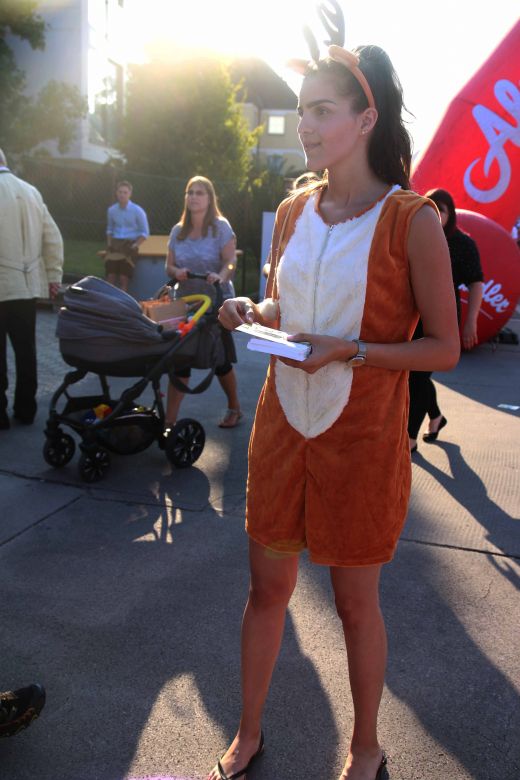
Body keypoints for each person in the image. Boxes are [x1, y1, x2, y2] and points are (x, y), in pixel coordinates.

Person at [215, 43, 460, 780]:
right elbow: (284, 304)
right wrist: (252, 310)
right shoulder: (295, 209)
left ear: (365, 120)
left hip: (361, 438)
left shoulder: (412, 219)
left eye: (322, 111)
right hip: (281, 427)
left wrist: (350, 350)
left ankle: (366, 746)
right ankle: (248, 732)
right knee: (266, 589)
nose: (306, 126)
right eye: (302, 112)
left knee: (356, 605)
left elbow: (445, 348)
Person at [408, 188, 484, 452]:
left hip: (443, 317)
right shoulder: (415, 235)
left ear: (450, 214)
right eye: (431, 207)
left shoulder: (463, 243)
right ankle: (436, 417)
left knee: (418, 377)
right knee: (413, 375)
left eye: (441, 210)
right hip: (412, 316)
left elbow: (476, 283)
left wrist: (471, 322)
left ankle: (410, 437)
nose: (436, 214)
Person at [165, 175, 242, 429]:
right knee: (180, 360)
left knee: (220, 361)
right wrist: (176, 272)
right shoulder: (178, 231)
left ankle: (235, 408)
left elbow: (230, 261)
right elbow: (169, 266)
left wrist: (220, 275)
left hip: (215, 303)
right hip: (186, 304)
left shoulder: (221, 227)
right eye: (190, 192)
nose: (194, 197)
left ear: (210, 199)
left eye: (199, 193)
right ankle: (169, 422)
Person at [0, 149, 63, 430]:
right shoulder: (31, 192)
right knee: (26, 350)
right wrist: (53, 276)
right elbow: (53, 237)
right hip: (27, 288)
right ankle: (26, 408)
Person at [106, 180, 149, 293]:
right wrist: (110, 244)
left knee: (123, 278)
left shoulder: (138, 211)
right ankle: (107, 301)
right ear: (116, 193)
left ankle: (121, 301)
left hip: (130, 245)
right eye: (120, 192)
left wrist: (135, 246)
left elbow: (145, 233)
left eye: (125, 192)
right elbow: (109, 229)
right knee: (110, 276)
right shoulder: (111, 210)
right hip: (115, 245)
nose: (122, 195)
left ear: (130, 194)